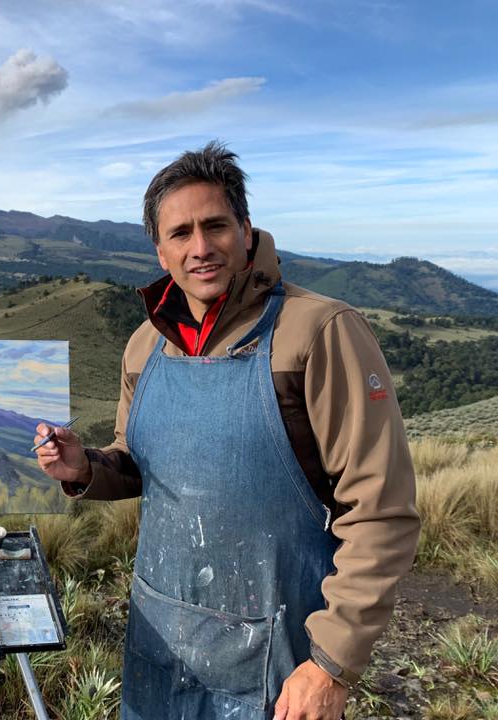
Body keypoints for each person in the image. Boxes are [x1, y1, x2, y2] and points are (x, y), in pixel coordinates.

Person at [34, 141, 420, 720]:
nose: (201, 247)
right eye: (180, 233)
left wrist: (331, 663)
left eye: (215, 225)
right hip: (161, 648)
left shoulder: (319, 331)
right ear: (160, 250)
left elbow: (380, 511)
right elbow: (139, 461)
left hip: (280, 666)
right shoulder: (146, 344)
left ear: (245, 229)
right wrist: (86, 468)